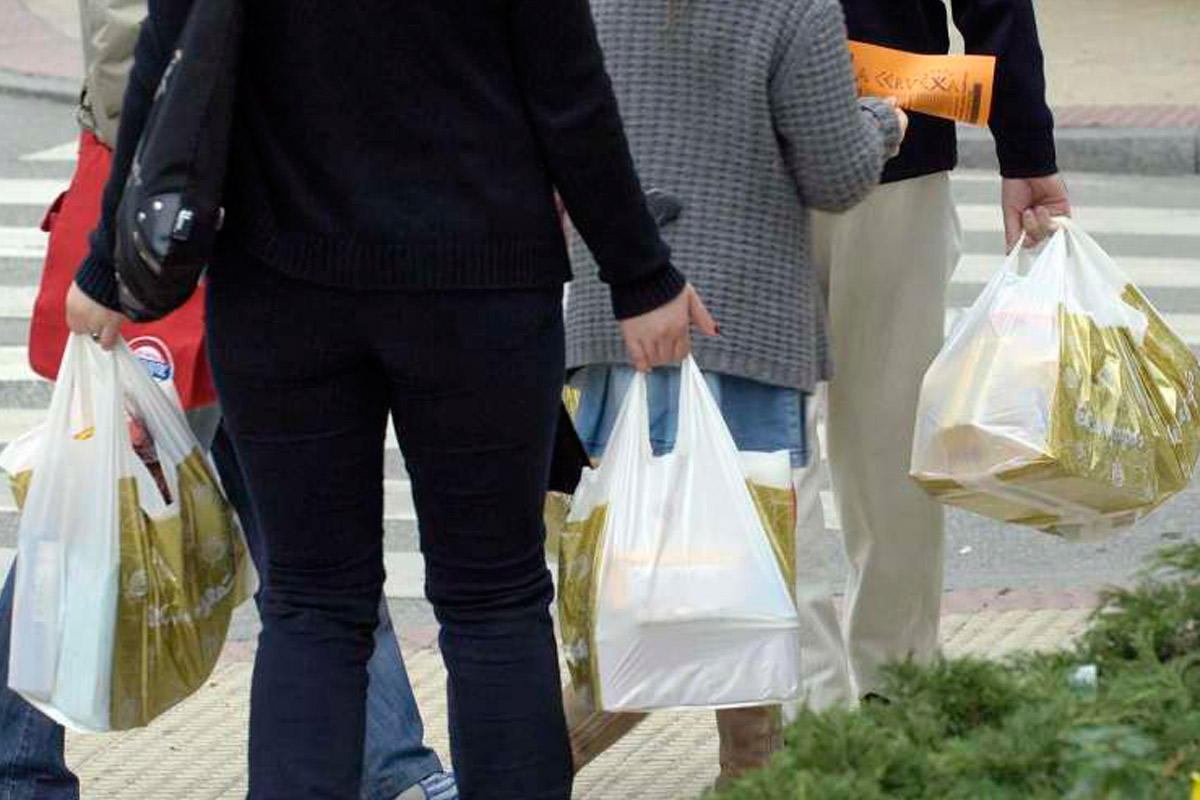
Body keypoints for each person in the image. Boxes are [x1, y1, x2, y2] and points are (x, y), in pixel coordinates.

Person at [65, 0, 711, 798]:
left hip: (280, 285)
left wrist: (107, 266)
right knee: (495, 600)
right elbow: (569, 93)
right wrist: (640, 275)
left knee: (310, 604)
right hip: (481, 283)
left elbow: (168, 59)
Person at [0, 2, 456, 798]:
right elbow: (128, 53)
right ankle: (392, 769)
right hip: (183, 221)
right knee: (100, 516)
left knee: (287, 531)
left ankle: (392, 767)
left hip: (238, 220)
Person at [560, 0, 907, 787]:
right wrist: (882, 125)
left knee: (669, 584)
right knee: (715, 595)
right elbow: (837, 171)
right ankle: (527, 765)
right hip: (741, 319)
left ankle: (753, 778)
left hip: (616, 302)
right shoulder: (793, 6)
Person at [791, 0, 1072, 709]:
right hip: (890, 131)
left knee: (766, 455)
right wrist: (1027, 149)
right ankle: (896, 688)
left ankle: (796, 705)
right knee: (887, 443)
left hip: (745, 154)